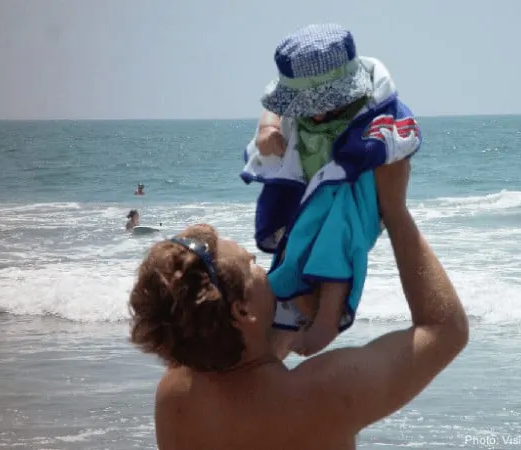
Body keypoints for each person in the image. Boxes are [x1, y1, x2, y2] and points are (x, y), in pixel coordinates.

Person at [128, 159, 468, 450]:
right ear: (242, 311)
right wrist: (396, 210)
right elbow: (445, 329)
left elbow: (248, 359)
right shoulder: (323, 392)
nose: (262, 264)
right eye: (252, 265)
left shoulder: (174, 397)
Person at [240, 23, 422, 357]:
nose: (311, 112)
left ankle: (327, 319)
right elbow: (274, 108)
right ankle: (270, 358)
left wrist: (366, 153)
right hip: (309, 201)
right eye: (302, 103)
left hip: (354, 199)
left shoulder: (373, 106)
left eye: (320, 102)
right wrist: (268, 129)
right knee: (294, 256)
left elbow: (400, 136)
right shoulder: (298, 111)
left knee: (335, 234)